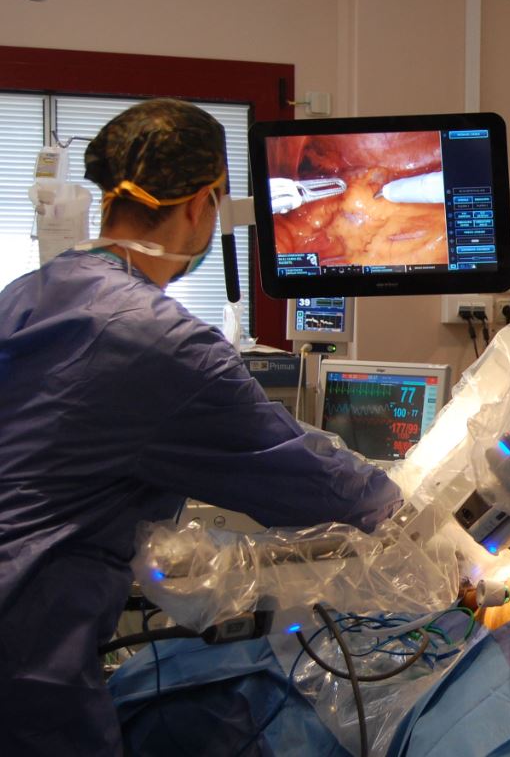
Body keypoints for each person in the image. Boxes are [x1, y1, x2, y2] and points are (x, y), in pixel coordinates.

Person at [0, 98, 402, 756]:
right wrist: (416, 513)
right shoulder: (160, 340)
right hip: (24, 649)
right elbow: (307, 480)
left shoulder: (28, 293)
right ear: (199, 206)